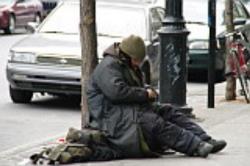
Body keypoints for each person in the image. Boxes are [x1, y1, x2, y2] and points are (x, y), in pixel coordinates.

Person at [86, 35, 227, 159]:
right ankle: (196, 146)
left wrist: (147, 89)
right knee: (153, 122)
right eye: (136, 60)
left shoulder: (126, 64)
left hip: (127, 111)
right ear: (127, 55)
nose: (138, 64)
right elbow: (117, 93)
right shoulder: (108, 67)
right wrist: (145, 94)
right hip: (111, 119)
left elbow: (134, 87)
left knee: (168, 111)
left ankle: (204, 139)